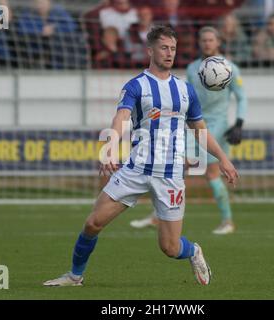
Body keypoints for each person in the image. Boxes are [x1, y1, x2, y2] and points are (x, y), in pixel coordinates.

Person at [43, 25, 238, 287]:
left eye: (173, 49)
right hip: (135, 169)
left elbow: (200, 131)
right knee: (93, 223)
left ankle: (193, 251)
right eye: (164, 48)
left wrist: (223, 159)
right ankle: (75, 276)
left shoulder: (185, 90)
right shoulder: (136, 86)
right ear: (150, 50)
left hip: (170, 176)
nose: (169, 53)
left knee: (170, 247)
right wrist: (110, 146)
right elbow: (121, 117)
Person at [130, 26, 247, 235]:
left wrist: (239, 123)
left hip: (218, 126)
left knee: (211, 173)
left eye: (211, 40)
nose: (207, 44)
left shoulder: (229, 67)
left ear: (218, 42)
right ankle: (158, 216)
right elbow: (189, 98)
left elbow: (242, 97)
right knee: (173, 166)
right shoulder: (193, 68)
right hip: (193, 124)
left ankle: (227, 221)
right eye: (204, 40)